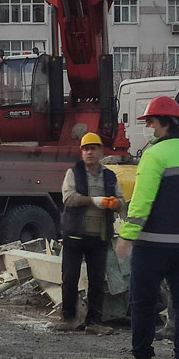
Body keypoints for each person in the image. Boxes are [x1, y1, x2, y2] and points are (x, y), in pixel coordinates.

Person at [116, 96, 179, 359]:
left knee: (143, 304)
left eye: (151, 122)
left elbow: (142, 202)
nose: (149, 128)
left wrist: (126, 237)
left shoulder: (154, 156)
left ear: (166, 124)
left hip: (152, 245)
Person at [54, 132, 125, 335]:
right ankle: (68, 318)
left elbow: (121, 201)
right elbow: (68, 198)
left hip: (99, 236)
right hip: (74, 235)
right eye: (86, 149)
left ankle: (94, 322)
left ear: (101, 151)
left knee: (96, 280)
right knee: (70, 277)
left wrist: (115, 203)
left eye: (93, 148)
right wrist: (94, 201)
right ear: (81, 153)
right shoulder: (73, 173)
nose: (89, 152)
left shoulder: (109, 176)